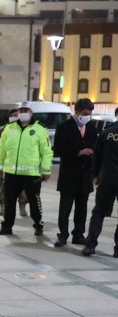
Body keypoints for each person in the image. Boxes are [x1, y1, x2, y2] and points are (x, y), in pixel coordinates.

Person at [0, 103, 52, 237]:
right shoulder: (9, 128)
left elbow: (47, 152)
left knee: (34, 202)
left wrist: (46, 170)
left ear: (32, 112)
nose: (23, 113)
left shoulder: (40, 129)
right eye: (21, 110)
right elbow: (1, 149)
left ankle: (38, 225)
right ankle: (7, 227)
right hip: (11, 174)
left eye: (26, 110)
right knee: (9, 202)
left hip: (31, 174)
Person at [53, 98, 98, 247]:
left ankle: (78, 234)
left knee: (82, 208)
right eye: (85, 113)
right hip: (69, 174)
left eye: (89, 114)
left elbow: (95, 146)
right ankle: (63, 235)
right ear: (76, 111)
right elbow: (58, 149)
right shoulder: (64, 127)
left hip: (85, 175)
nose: (87, 116)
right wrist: (77, 152)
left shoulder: (91, 127)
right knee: (65, 207)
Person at [82, 115, 118, 257]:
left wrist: (96, 175)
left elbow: (97, 156)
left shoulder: (107, 132)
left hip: (107, 178)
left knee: (99, 212)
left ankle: (90, 245)